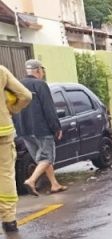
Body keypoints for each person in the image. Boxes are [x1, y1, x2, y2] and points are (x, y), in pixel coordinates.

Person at [16, 59, 65, 196]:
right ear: (38, 70)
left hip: (24, 130)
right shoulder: (40, 85)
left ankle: (54, 184)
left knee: (41, 159)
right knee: (47, 158)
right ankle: (31, 180)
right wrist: (56, 127)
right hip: (41, 129)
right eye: (42, 70)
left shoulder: (17, 85)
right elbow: (49, 108)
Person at [0, 64, 32, 233]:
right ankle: (9, 220)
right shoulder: (1, 71)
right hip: (3, 132)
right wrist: (11, 109)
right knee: (5, 175)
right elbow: (25, 95)